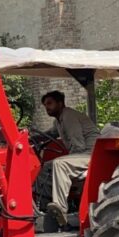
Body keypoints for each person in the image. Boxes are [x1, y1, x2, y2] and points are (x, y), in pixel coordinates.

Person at [39, 90, 100, 227]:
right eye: (45, 105)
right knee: (45, 166)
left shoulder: (68, 116)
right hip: (83, 154)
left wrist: (69, 160)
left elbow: (78, 145)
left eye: (50, 103)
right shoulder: (59, 121)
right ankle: (41, 207)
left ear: (60, 103)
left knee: (60, 164)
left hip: (92, 154)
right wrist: (30, 137)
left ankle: (60, 209)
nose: (47, 107)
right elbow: (50, 134)